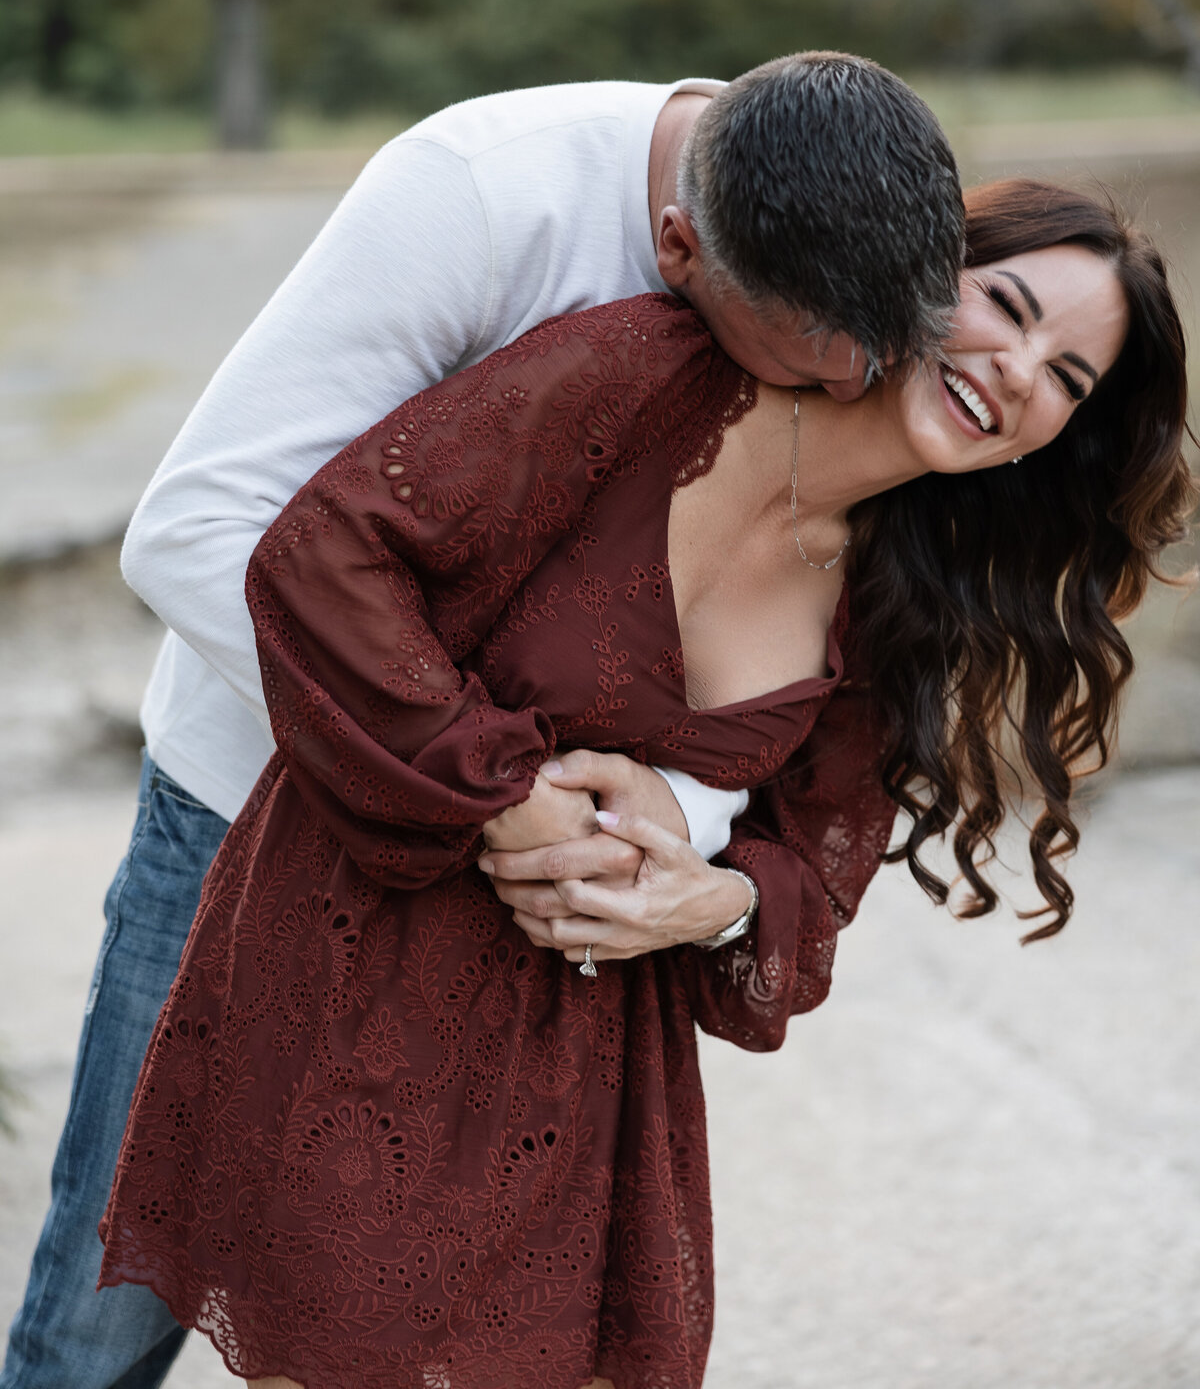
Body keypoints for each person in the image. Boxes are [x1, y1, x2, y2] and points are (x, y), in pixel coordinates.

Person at [96, 179, 1193, 1389]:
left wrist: (706, 898)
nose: (1018, 368)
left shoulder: (906, 599)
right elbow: (325, 555)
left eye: (1069, 379)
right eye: (1007, 303)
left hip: (589, 1072)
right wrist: (500, 786)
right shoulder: (649, 373)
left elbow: (809, 885)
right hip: (363, 967)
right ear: (926, 271)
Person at [0, 52, 965, 1389]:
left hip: (522, 931)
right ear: (676, 253)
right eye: (813, 364)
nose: (864, 386)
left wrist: (677, 821)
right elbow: (195, 534)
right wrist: (492, 780)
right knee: (105, 1314)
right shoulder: (480, 198)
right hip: (251, 821)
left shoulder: (825, 202)